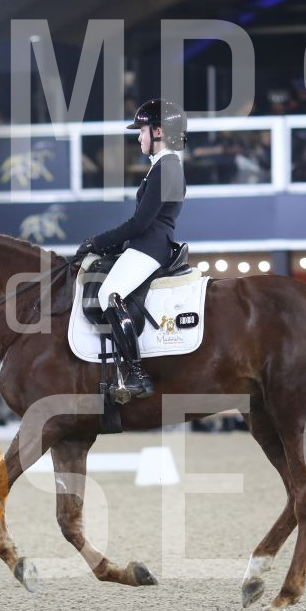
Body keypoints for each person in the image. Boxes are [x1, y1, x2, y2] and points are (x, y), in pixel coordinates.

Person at [75, 99, 188, 402]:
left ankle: (136, 373)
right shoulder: (162, 167)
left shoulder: (167, 167)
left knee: (109, 295)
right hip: (145, 244)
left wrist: (97, 242)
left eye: (142, 130)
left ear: (158, 131)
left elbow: (140, 223)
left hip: (150, 246)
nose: (139, 137)